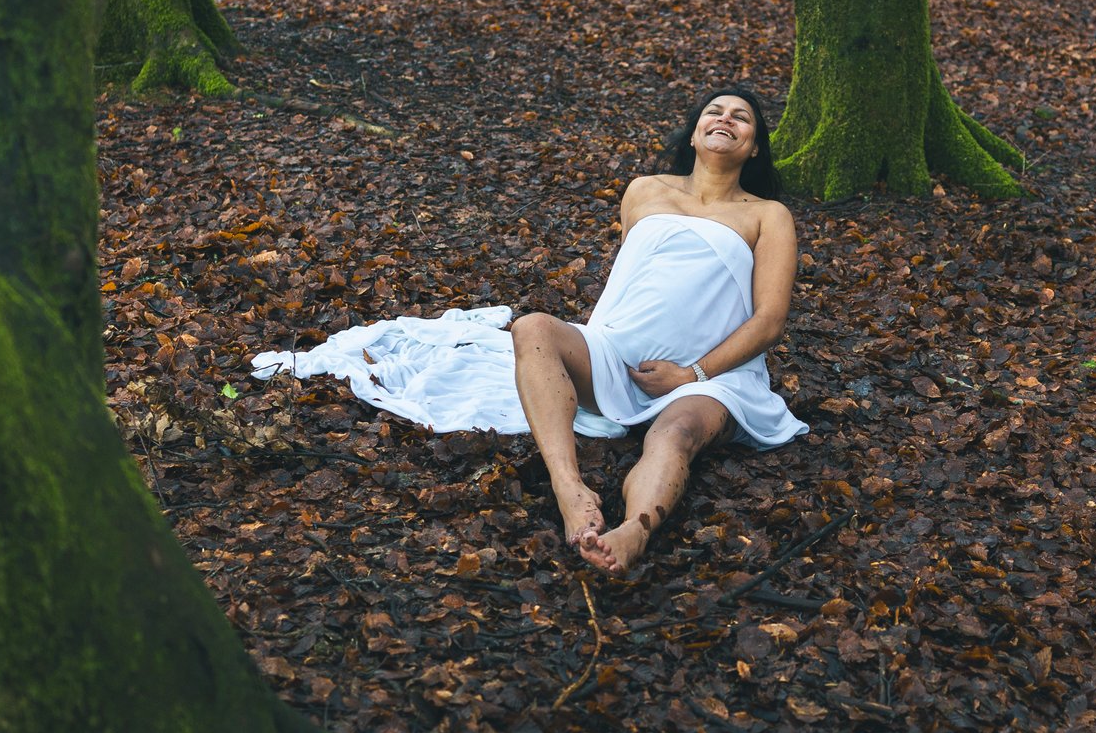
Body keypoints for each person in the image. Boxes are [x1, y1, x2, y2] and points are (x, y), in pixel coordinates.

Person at [250, 86, 806, 575]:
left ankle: (635, 529)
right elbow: (638, 277)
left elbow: (769, 320)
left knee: (674, 434)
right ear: (694, 132)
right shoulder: (644, 191)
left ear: (754, 147)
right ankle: (570, 490)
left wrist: (693, 371)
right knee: (534, 327)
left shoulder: (767, 216)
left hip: (712, 376)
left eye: (742, 117)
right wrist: (608, 349)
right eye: (715, 110)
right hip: (618, 355)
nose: (726, 119)